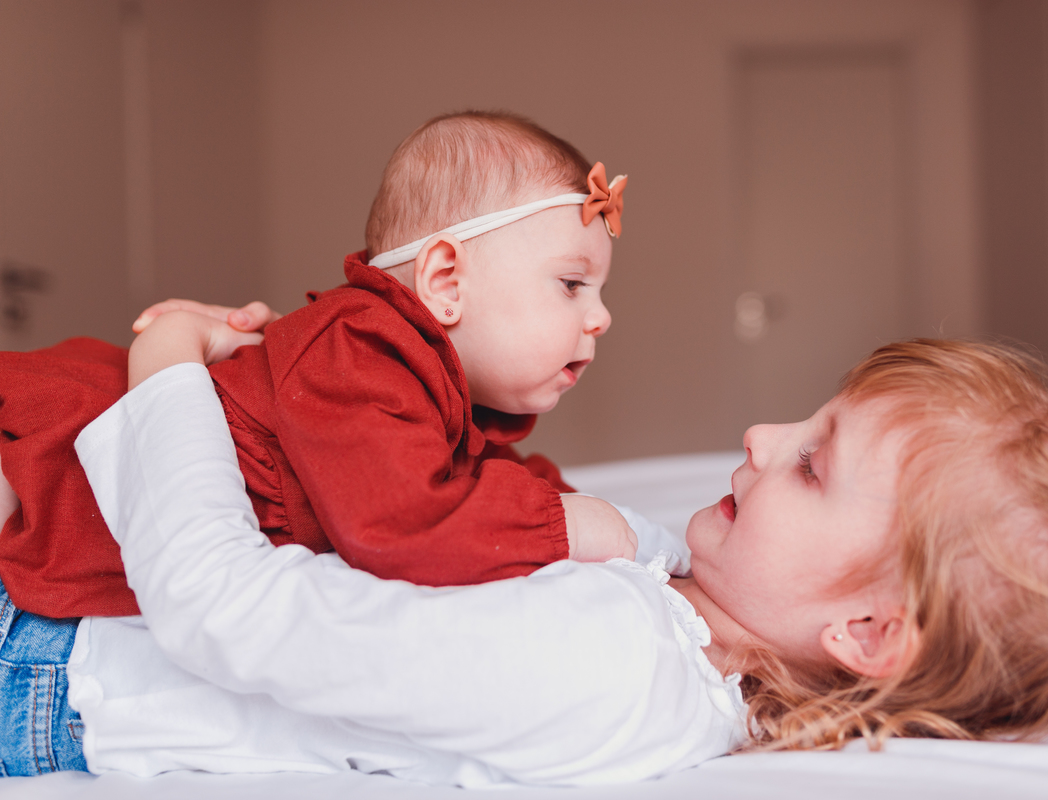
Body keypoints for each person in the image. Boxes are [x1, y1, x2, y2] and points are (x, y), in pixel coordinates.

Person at [3, 322, 1048, 782]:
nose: (760, 436)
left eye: (813, 464)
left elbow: (237, 614)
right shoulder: (687, 619)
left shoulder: (608, 664)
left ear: (872, 632)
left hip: (49, 663)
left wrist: (170, 383)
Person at [0, 111, 637, 619]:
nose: (600, 317)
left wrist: (569, 501)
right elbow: (401, 525)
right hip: (59, 456)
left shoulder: (431, 381)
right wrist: (563, 525)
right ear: (445, 282)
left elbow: (482, 476)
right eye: (572, 284)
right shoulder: (362, 350)